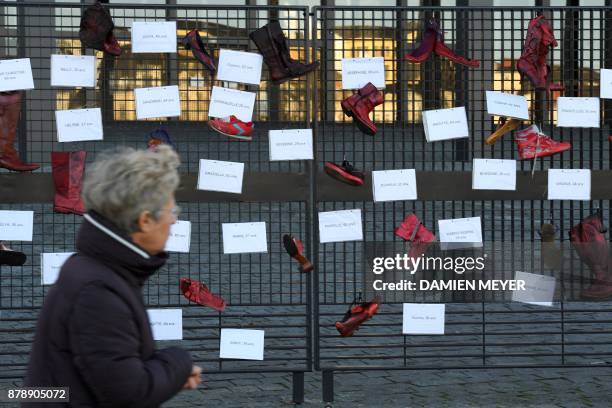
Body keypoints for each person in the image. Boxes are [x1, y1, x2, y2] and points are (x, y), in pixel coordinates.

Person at [23, 145, 201, 407]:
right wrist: (178, 362)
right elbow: (129, 394)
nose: (174, 221)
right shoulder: (98, 291)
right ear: (145, 221)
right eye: (172, 212)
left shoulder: (95, 267)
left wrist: (169, 376)